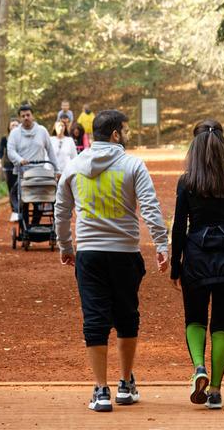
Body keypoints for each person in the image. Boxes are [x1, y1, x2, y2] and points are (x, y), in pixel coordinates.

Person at [55, 109, 169, 413]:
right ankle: (125, 383)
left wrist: (66, 245)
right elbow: (150, 206)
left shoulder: (75, 166)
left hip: (89, 253)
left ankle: (100, 389)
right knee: (127, 316)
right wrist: (161, 243)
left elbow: (61, 210)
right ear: (116, 134)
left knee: (94, 319)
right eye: (126, 130)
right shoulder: (132, 165)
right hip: (125, 253)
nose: (128, 135)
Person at [170, 120, 224, 410]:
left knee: (195, 319)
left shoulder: (187, 182)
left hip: (196, 257)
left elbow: (179, 227)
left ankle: (198, 367)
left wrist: (175, 266)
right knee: (222, 325)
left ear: (193, 148)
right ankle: (216, 391)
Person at [7, 103, 59, 225]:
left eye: (28, 115)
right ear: (20, 118)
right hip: (23, 173)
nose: (26, 117)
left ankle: (35, 225)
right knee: (22, 200)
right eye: (23, 116)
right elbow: (10, 150)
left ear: (33, 116)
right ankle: (24, 226)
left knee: (40, 200)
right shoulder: (15, 133)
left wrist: (56, 170)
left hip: (39, 173)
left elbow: (50, 150)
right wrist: (20, 159)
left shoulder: (42, 131)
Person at [0, 118, 21, 222]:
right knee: (12, 189)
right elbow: (0, 151)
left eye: (16, 125)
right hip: (9, 167)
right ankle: (14, 211)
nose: (14, 127)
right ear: (9, 127)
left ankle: (21, 211)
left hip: (21, 167)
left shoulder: (22, 138)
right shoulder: (5, 138)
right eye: (12, 125)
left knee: (21, 189)